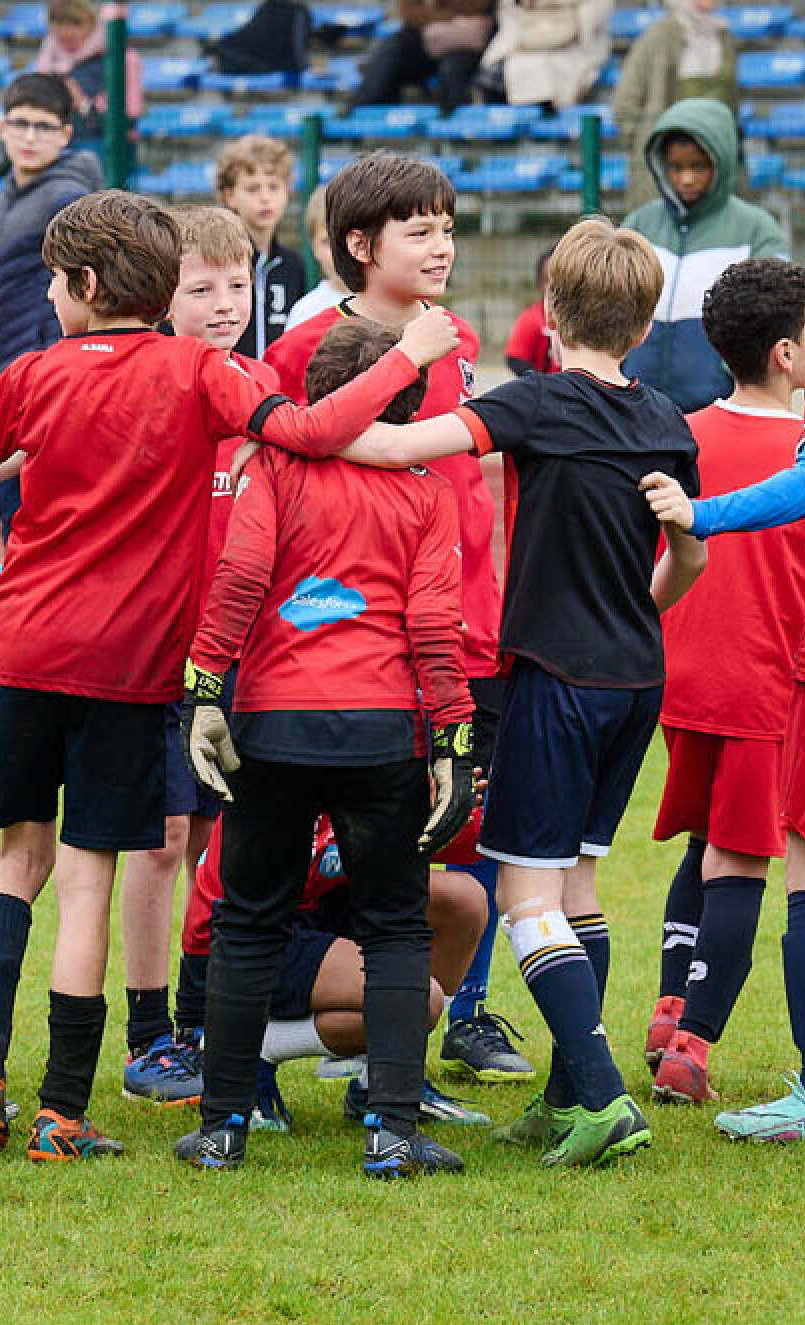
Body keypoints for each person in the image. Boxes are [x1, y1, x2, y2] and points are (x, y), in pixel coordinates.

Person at [0, 188, 461, 1162]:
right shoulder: (203, 371)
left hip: (24, 655)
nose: (47, 296)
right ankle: (61, 1115)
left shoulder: (31, 372)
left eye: (52, 282)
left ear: (81, 285)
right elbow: (309, 433)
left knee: (16, 864)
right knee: (88, 880)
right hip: (127, 669)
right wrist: (407, 360)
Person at [289, 216, 707, 1168]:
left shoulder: (536, 402)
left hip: (554, 676)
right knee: (578, 882)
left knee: (524, 892)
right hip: (637, 677)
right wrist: (633, 612)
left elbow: (397, 446)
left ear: (549, 310)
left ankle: (602, 1095)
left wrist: (295, 431)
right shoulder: (666, 419)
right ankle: (565, 1096)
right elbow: (690, 556)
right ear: (645, 326)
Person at [172, 315, 477, 1177]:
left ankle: (223, 1130)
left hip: (273, 723)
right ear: (411, 402)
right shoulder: (427, 492)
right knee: (394, 929)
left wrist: (204, 688)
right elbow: (434, 624)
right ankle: (393, 1132)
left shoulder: (273, 466)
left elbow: (239, 577)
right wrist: (453, 740)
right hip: (381, 731)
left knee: (247, 923)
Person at [264, 153, 525, 1086]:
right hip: (358, 650)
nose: (443, 246)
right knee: (328, 846)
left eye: (448, 228)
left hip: (468, 634)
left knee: (460, 840)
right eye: (420, 231)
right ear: (360, 244)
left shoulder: (457, 337)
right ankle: (278, 1026)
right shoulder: (302, 349)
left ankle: (444, 1027)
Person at [642, 234, 805, 1143]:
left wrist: (701, 515)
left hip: (804, 673)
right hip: (770, 681)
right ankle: (693, 1038)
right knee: (735, 854)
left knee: (785, 864)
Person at [119, 205, 275, 1107]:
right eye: (201, 287)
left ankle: (203, 1016)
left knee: (226, 843)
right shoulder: (152, 381)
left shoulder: (261, 383)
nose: (224, 304)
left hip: (247, 654)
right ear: (161, 296)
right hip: (162, 653)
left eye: (237, 285)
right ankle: (147, 1034)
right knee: (162, 839)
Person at [181, 812, 490, 1134]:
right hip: (247, 932)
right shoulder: (296, 783)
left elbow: (470, 844)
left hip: (323, 900)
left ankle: (383, 1080)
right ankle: (250, 1049)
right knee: (418, 1001)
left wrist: (454, 811)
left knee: (463, 901)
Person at [0, 72, 102, 544]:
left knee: (42, 524)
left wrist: (50, 371)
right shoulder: (8, 194)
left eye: (43, 126)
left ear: (65, 134)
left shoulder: (68, 197)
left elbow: (80, 298)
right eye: (20, 123)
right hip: (8, 372)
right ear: (2, 127)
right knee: (16, 520)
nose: (29, 136)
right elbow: (1, 296)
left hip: (46, 383)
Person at [623, 97, 787, 415]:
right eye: (676, 167)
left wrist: (729, 372)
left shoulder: (755, 229)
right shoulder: (639, 225)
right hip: (637, 405)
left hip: (717, 407)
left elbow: (775, 311)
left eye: (698, 166)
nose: (686, 178)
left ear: (721, 163)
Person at [615, 0, 737, 210]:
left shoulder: (723, 37)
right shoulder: (659, 35)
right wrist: (649, 148)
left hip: (714, 162)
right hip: (664, 165)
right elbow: (625, 102)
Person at [215, 134, 306, 360]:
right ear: (229, 196)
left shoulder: (293, 265)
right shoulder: (217, 262)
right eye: (253, 188)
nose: (265, 198)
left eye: (273, 187)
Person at [33, 0, 144, 154]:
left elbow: (127, 119)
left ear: (90, 27)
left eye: (72, 37)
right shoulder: (49, 61)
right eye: (61, 39)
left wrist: (82, 104)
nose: (67, 44)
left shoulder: (121, 58)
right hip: (61, 140)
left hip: (104, 145)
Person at [348, 0, 495, 115]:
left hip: (466, 43)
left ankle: (454, 130)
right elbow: (409, 13)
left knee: (452, 68)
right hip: (426, 38)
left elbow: (478, 6)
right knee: (392, 49)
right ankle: (357, 111)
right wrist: (453, 19)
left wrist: (432, 12)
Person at [476, 0, 613, 108]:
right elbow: (510, 23)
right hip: (520, 49)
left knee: (536, 73)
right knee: (493, 76)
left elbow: (590, 28)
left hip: (573, 51)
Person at [285, 186, 348, 333]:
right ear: (314, 247)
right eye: (327, 242)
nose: (337, 252)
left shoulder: (387, 304)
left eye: (344, 239)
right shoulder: (305, 312)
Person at [504, 246, 558, 376]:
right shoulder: (531, 318)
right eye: (548, 281)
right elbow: (515, 359)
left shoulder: (587, 317)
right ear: (539, 284)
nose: (555, 287)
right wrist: (540, 382)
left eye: (561, 280)